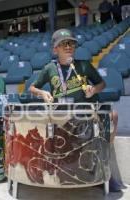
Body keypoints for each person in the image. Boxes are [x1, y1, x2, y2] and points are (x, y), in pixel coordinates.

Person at [30, 28, 122, 192]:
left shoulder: (84, 66)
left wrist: (93, 90)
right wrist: (43, 92)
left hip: (87, 112)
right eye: (63, 44)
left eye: (71, 43)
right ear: (55, 49)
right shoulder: (49, 68)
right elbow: (32, 88)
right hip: (64, 115)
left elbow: (102, 84)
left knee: (112, 116)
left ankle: (106, 169)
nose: (68, 46)